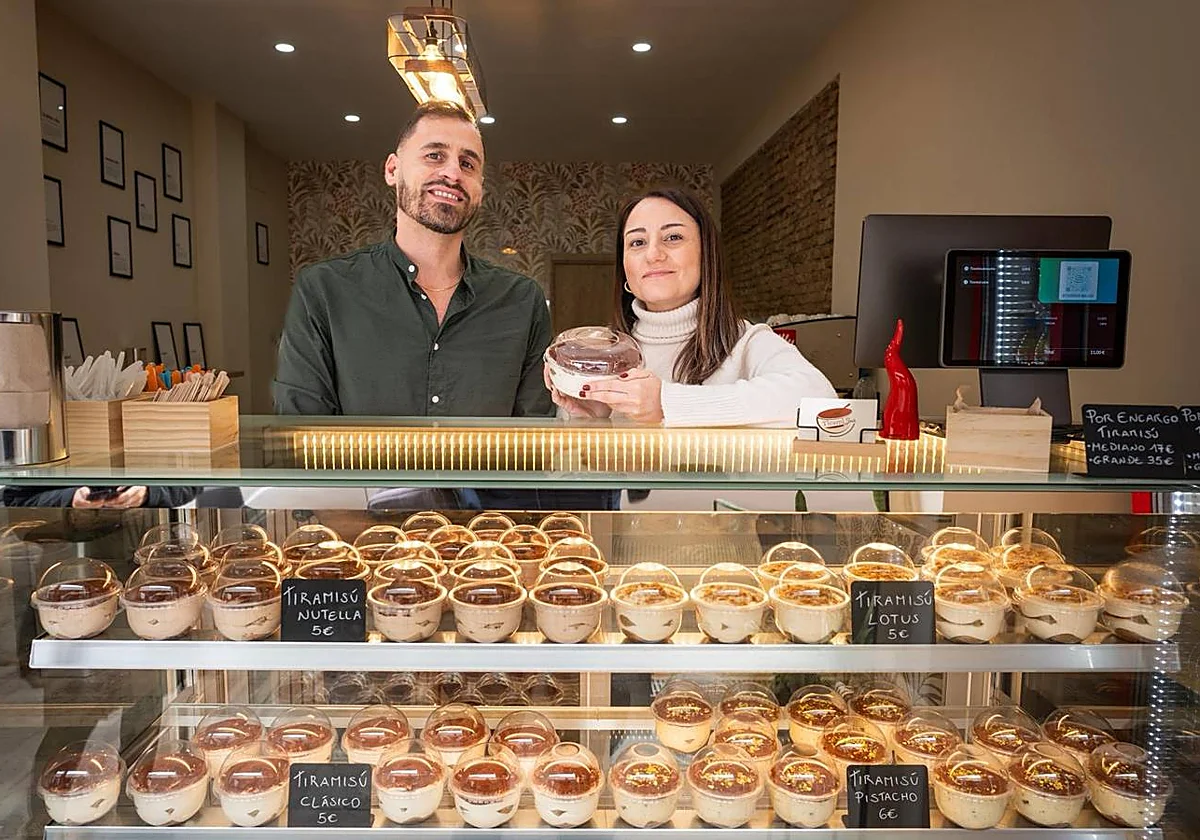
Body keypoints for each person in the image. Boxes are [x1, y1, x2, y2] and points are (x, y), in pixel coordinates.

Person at [273, 100, 552, 418]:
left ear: (480, 191)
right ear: (392, 170)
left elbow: (533, 439)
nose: (452, 173)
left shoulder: (522, 300)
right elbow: (300, 436)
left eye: (468, 164)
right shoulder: (323, 290)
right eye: (435, 155)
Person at [548, 187, 836, 426]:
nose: (653, 254)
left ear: (706, 253)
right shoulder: (605, 352)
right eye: (637, 242)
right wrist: (594, 418)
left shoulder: (745, 341)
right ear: (624, 268)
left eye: (673, 237)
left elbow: (819, 399)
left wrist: (665, 403)